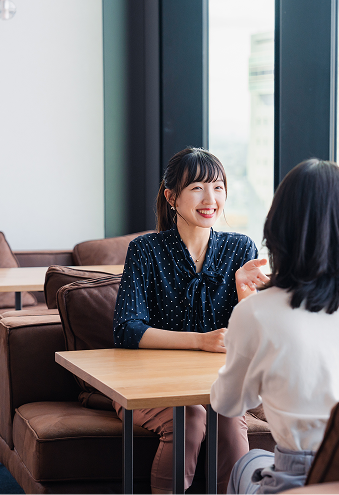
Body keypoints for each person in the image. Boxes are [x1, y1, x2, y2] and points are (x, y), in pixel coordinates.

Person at [209, 159, 339, 495]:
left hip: (300, 477)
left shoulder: (256, 312)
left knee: (248, 463)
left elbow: (228, 405)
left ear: (279, 228)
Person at [112, 147, 270, 495]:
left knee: (228, 421)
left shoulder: (240, 248)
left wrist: (245, 290)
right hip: (151, 383)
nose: (209, 198)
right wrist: (199, 340)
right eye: (197, 188)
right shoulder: (145, 250)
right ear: (172, 197)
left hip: (217, 382)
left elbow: (254, 336)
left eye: (217, 187)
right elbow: (127, 329)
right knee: (191, 417)